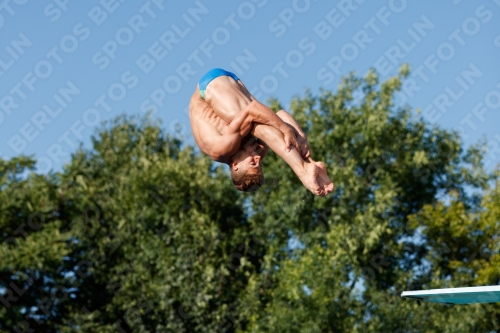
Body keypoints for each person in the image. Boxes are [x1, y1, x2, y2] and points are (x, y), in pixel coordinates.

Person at [189, 68, 334, 196]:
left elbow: (253, 110)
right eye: (259, 165)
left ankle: (303, 171)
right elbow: (281, 115)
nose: (258, 159)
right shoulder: (254, 152)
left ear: (235, 165)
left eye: (253, 163)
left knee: (256, 124)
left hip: (210, 86)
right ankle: (309, 165)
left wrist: (284, 128)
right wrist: (301, 139)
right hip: (232, 81)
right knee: (264, 127)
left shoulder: (220, 150)